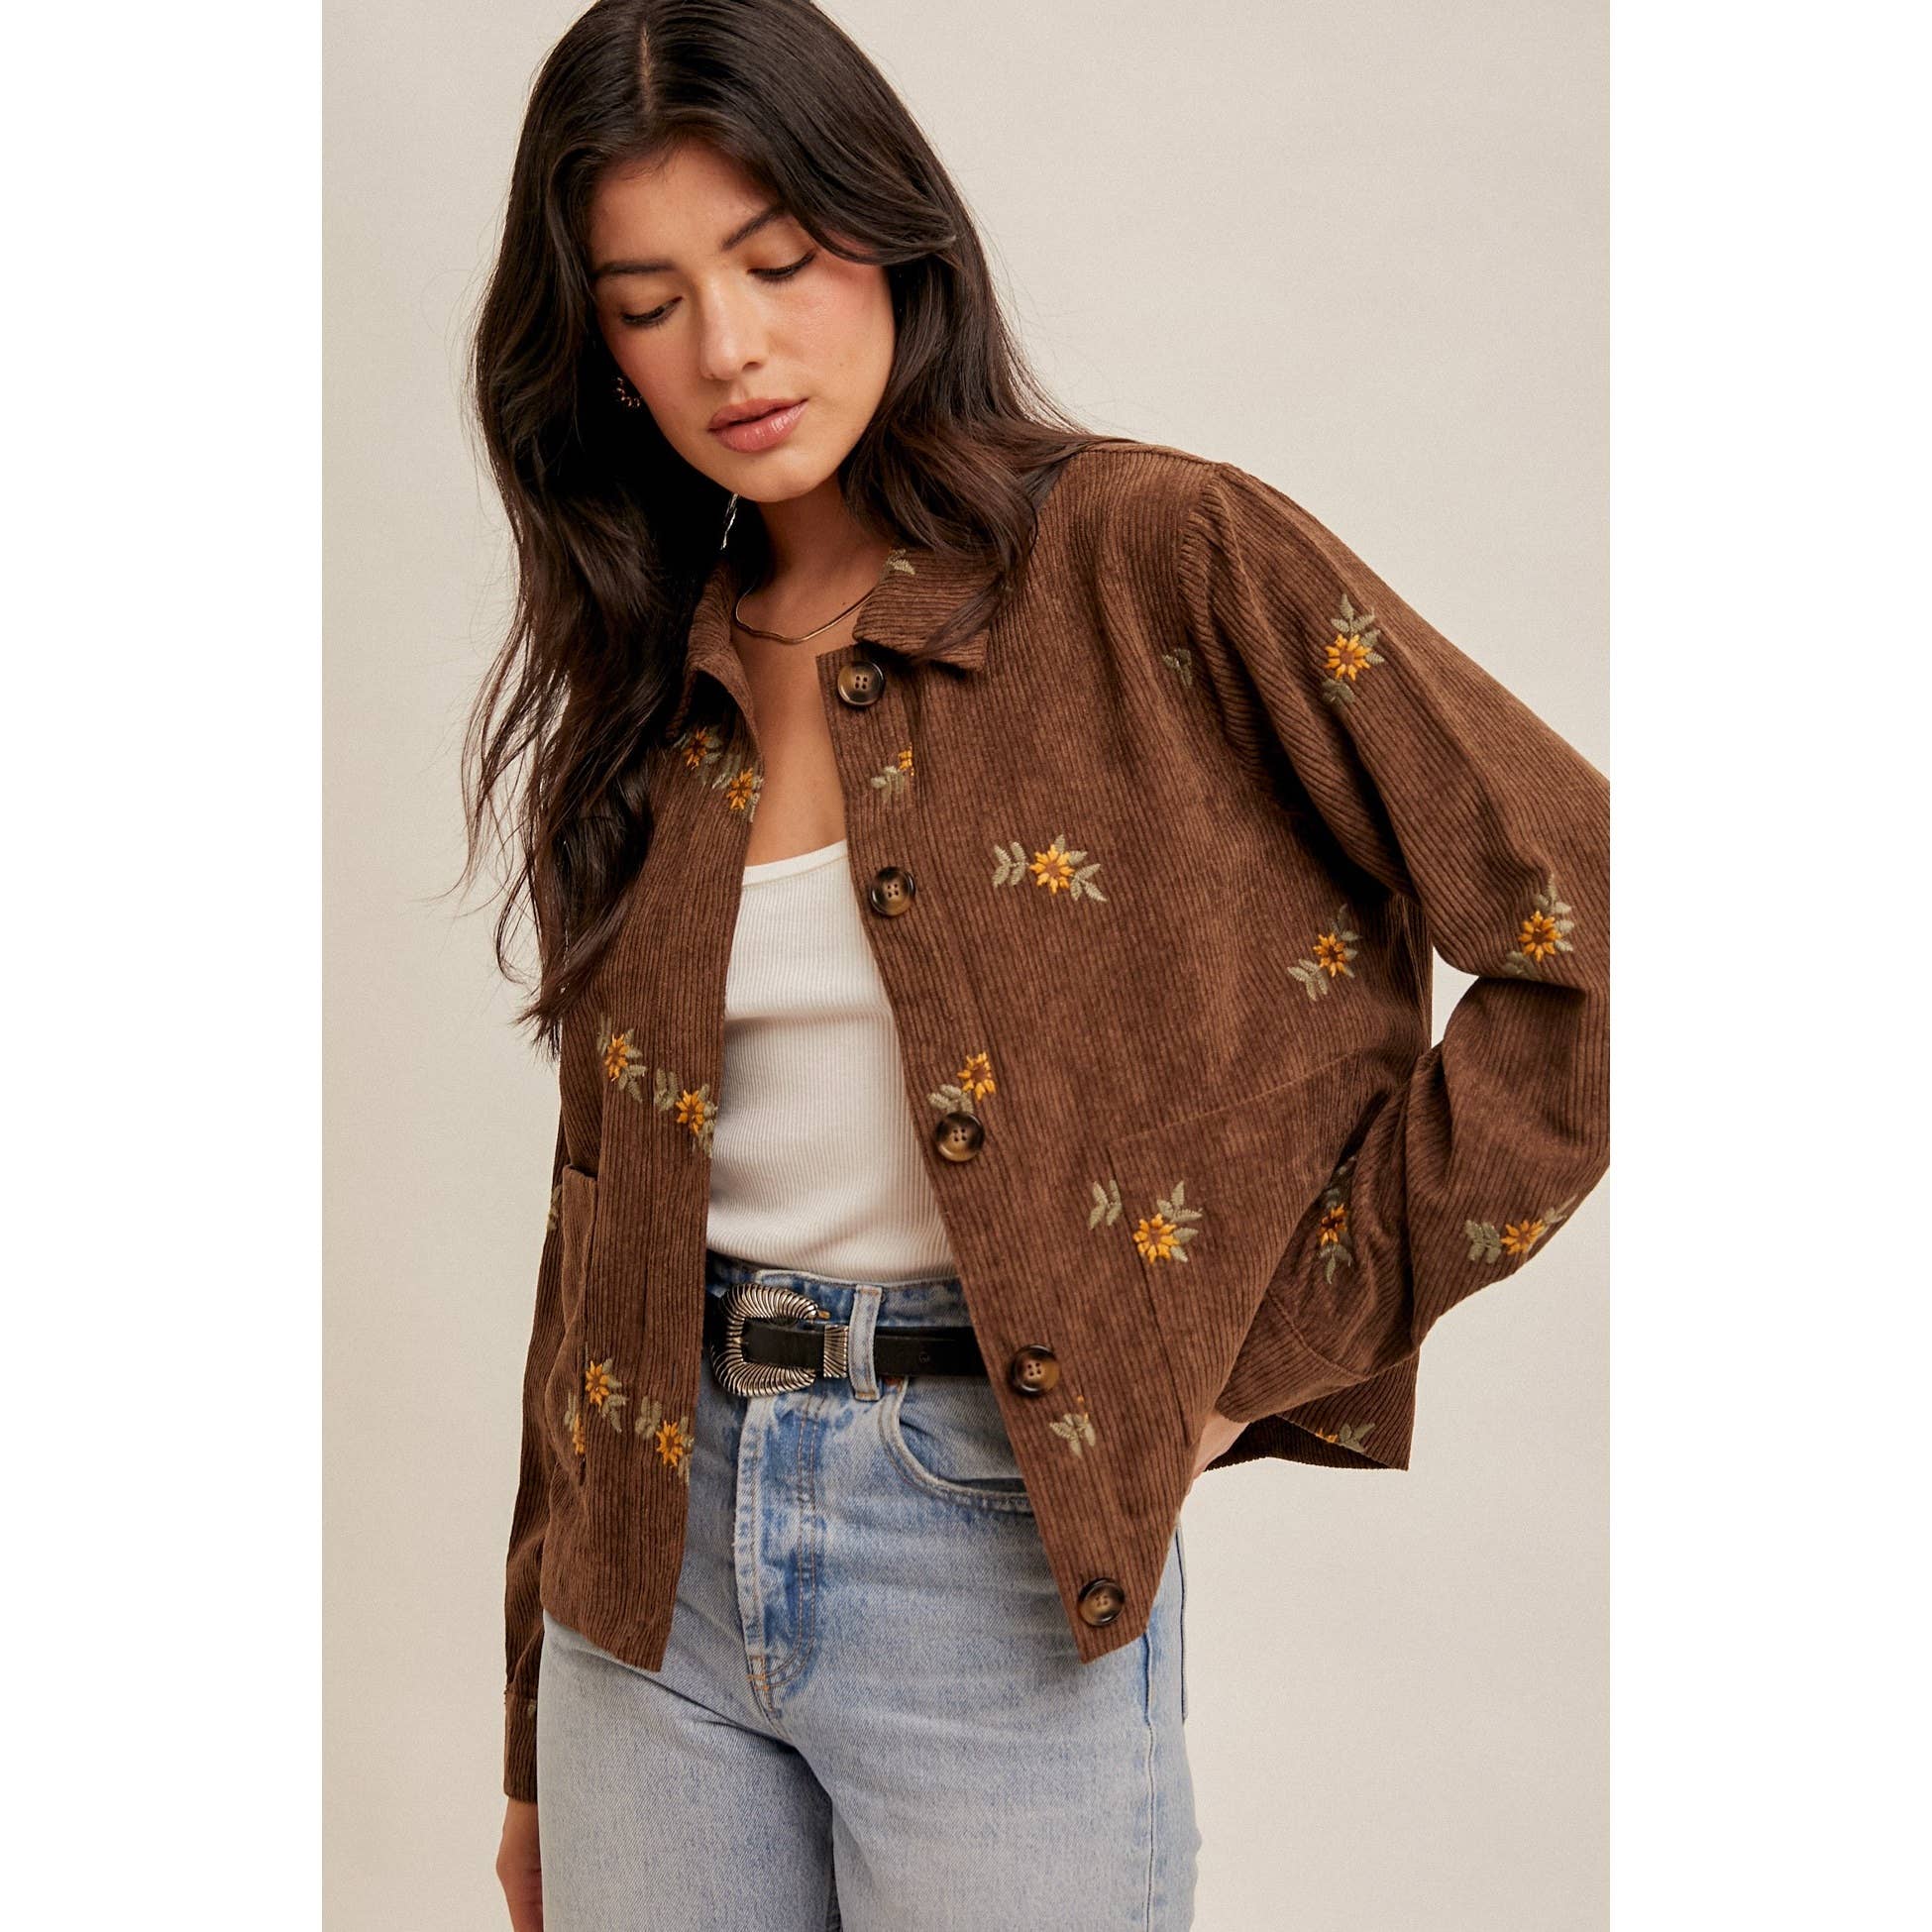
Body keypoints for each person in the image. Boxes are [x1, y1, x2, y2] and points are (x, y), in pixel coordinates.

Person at [460, 4, 1609, 1928]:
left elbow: (1600, 936)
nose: (727, 348)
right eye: (648, 302)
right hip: (640, 1585)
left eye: (775, 261)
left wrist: (1242, 1358)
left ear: (890, 230)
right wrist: (528, 1726)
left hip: (985, 1542)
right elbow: (599, 1217)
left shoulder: (1161, 556)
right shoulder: (653, 662)